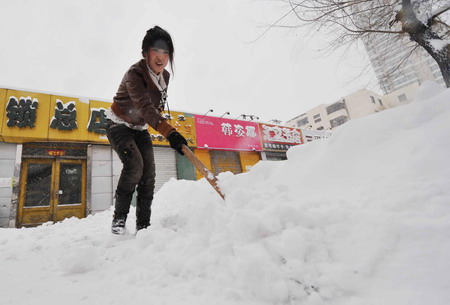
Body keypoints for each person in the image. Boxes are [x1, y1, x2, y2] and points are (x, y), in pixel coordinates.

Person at [106, 26, 187, 235]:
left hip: (139, 127)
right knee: (135, 166)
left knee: (149, 174)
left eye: (166, 53)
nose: (161, 58)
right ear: (145, 53)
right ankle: (119, 220)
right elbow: (144, 107)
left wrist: (165, 125)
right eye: (155, 51)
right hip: (119, 124)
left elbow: (155, 107)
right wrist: (170, 132)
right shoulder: (135, 74)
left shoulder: (165, 77)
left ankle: (143, 225)